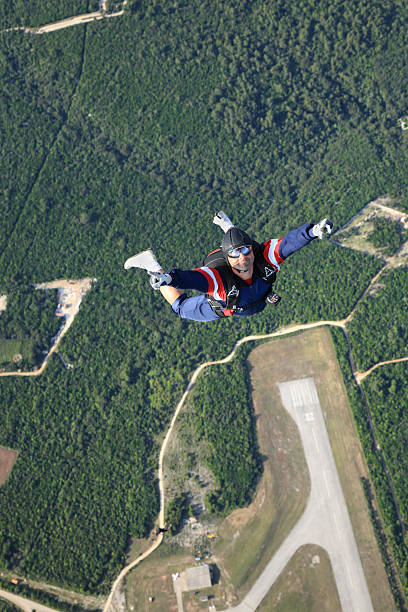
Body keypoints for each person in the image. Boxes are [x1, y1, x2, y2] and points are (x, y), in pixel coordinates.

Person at [124, 211, 333, 322]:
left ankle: (228, 228)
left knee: (239, 243)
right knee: (180, 308)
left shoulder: (266, 258)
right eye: (234, 254)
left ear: (252, 249)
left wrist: (312, 231)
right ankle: (151, 264)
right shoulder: (218, 280)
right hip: (224, 309)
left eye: (245, 250)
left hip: (257, 303)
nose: (241, 257)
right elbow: (191, 278)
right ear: (227, 258)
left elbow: (289, 243)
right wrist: (167, 278)